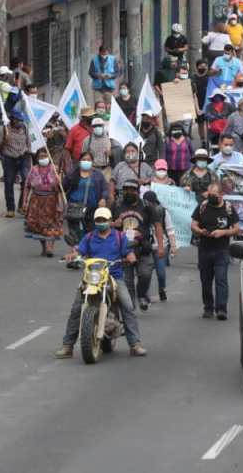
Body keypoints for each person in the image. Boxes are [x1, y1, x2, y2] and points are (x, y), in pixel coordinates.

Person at [55, 207, 146, 358]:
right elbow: (79, 250)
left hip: (114, 276)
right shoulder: (89, 237)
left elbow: (128, 252)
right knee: (77, 308)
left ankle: (135, 344)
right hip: (92, 276)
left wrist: (130, 257)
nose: (101, 223)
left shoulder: (119, 236)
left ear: (110, 221)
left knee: (127, 306)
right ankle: (67, 346)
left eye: (104, 220)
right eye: (98, 220)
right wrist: (73, 255)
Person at [112, 179, 164, 311]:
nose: (129, 192)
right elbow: (104, 224)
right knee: (127, 280)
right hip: (123, 248)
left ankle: (141, 294)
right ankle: (130, 308)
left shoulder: (146, 206)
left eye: (132, 189)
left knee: (145, 274)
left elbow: (158, 225)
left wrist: (160, 246)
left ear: (138, 191)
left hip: (143, 247)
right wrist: (113, 224)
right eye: (126, 189)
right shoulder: (116, 205)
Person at [191, 182, 239, 320]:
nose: (210, 197)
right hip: (205, 250)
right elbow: (193, 224)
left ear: (221, 195)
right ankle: (208, 307)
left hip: (221, 250)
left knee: (221, 279)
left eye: (214, 195)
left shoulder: (228, 208)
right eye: (209, 194)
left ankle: (221, 309)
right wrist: (200, 231)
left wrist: (223, 232)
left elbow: (236, 228)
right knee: (206, 281)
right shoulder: (203, 207)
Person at [61, 151, 109, 254]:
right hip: (74, 208)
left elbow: (105, 189)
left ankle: (89, 254)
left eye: (88, 160)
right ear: (79, 161)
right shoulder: (72, 174)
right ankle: (75, 255)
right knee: (75, 233)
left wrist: (103, 198)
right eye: (84, 160)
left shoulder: (98, 175)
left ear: (92, 162)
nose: (86, 162)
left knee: (90, 232)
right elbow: (63, 187)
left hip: (91, 209)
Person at [22, 148, 65, 258]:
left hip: (52, 200)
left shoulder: (55, 169)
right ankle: (44, 247)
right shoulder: (34, 170)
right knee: (38, 225)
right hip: (37, 200)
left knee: (52, 224)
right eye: (40, 157)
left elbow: (61, 188)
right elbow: (27, 186)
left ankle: (50, 246)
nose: (43, 159)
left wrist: (60, 181)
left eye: (45, 156)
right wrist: (25, 201)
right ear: (37, 158)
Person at [0, 111, 31, 217]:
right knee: (9, 182)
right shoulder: (3, 129)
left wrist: (28, 153)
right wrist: (5, 141)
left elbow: (28, 142)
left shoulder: (24, 128)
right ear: (12, 119)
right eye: (17, 120)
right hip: (9, 158)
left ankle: (21, 206)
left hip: (23, 157)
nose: (19, 123)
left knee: (25, 181)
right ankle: (10, 208)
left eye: (21, 120)